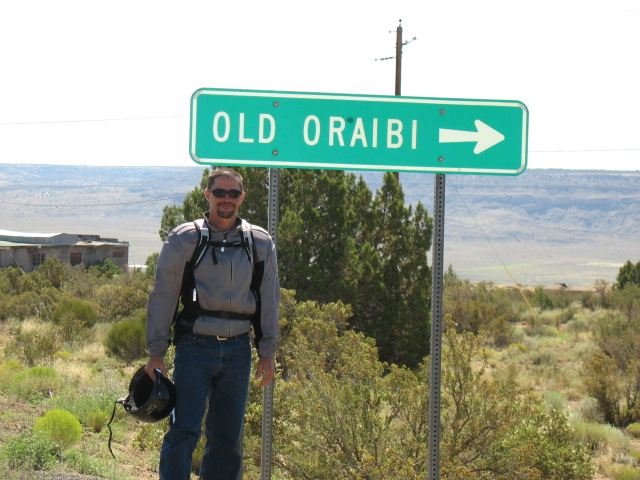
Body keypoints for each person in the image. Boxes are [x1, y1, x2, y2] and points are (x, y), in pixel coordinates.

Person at [145, 168, 279, 480]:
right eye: (220, 192)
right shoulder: (184, 239)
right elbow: (163, 296)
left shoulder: (259, 242)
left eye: (234, 193)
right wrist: (156, 352)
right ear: (208, 195)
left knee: (228, 439)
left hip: (238, 350)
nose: (227, 199)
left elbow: (269, 299)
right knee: (184, 431)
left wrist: (268, 352)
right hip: (195, 347)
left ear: (242, 197)